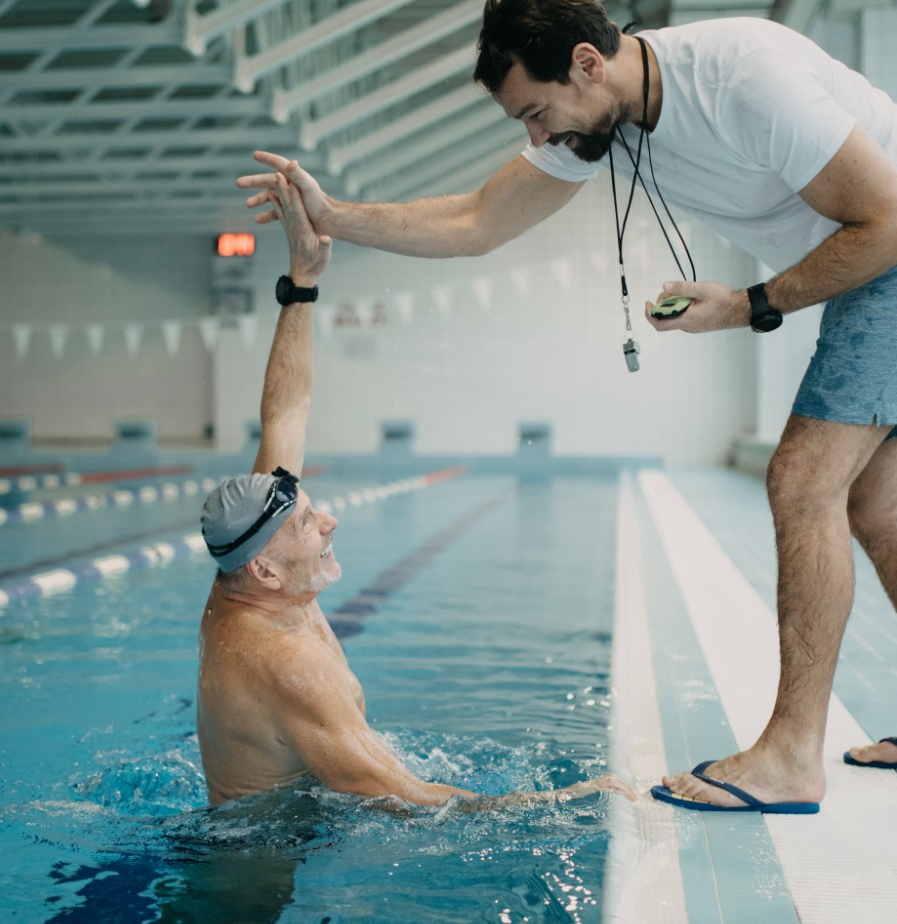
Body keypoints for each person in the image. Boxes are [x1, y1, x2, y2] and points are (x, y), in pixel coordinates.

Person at [236, 0, 897, 813]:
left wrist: (746, 304)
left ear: (587, 63)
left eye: (537, 112)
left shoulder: (745, 77)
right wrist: (334, 218)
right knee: (876, 504)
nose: (537, 135)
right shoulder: (598, 120)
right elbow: (477, 220)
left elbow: (895, 224)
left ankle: (789, 756)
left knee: (802, 480)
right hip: (895, 251)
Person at [196, 170, 633, 809]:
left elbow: (285, 411)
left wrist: (304, 280)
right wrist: (568, 803)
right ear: (264, 571)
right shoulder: (287, 666)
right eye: (308, 525)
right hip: (271, 852)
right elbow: (413, 801)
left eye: (313, 511)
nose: (330, 522)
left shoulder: (249, 569)